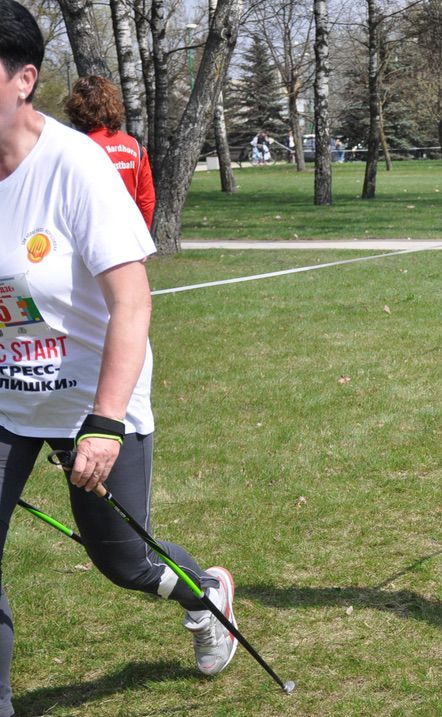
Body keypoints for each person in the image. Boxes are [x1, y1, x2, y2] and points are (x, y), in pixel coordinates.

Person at [0, 5, 238, 714]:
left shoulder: (76, 166)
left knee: (122, 559)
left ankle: (206, 594)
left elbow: (131, 302)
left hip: (94, 400)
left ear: (23, 80)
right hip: (7, 401)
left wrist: (105, 422)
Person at [63, 75, 155, 230]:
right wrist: (141, 235)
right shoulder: (135, 147)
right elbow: (146, 200)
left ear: (77, 109)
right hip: (128, 233)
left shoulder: (78, 147)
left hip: (91, 233)